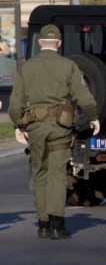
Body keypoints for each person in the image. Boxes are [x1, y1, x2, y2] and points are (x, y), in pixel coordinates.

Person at [8, 24, 99, 239]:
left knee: (40, 174)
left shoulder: (26, 67)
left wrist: (18, 127)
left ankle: (42, 224)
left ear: (40, 43)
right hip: (60, 127)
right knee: (57, 174)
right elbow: (83, 96)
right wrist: (93, 117)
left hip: (36, 128)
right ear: (59, 44)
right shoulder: (68, 66)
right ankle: (58, 225)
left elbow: (15, 105)